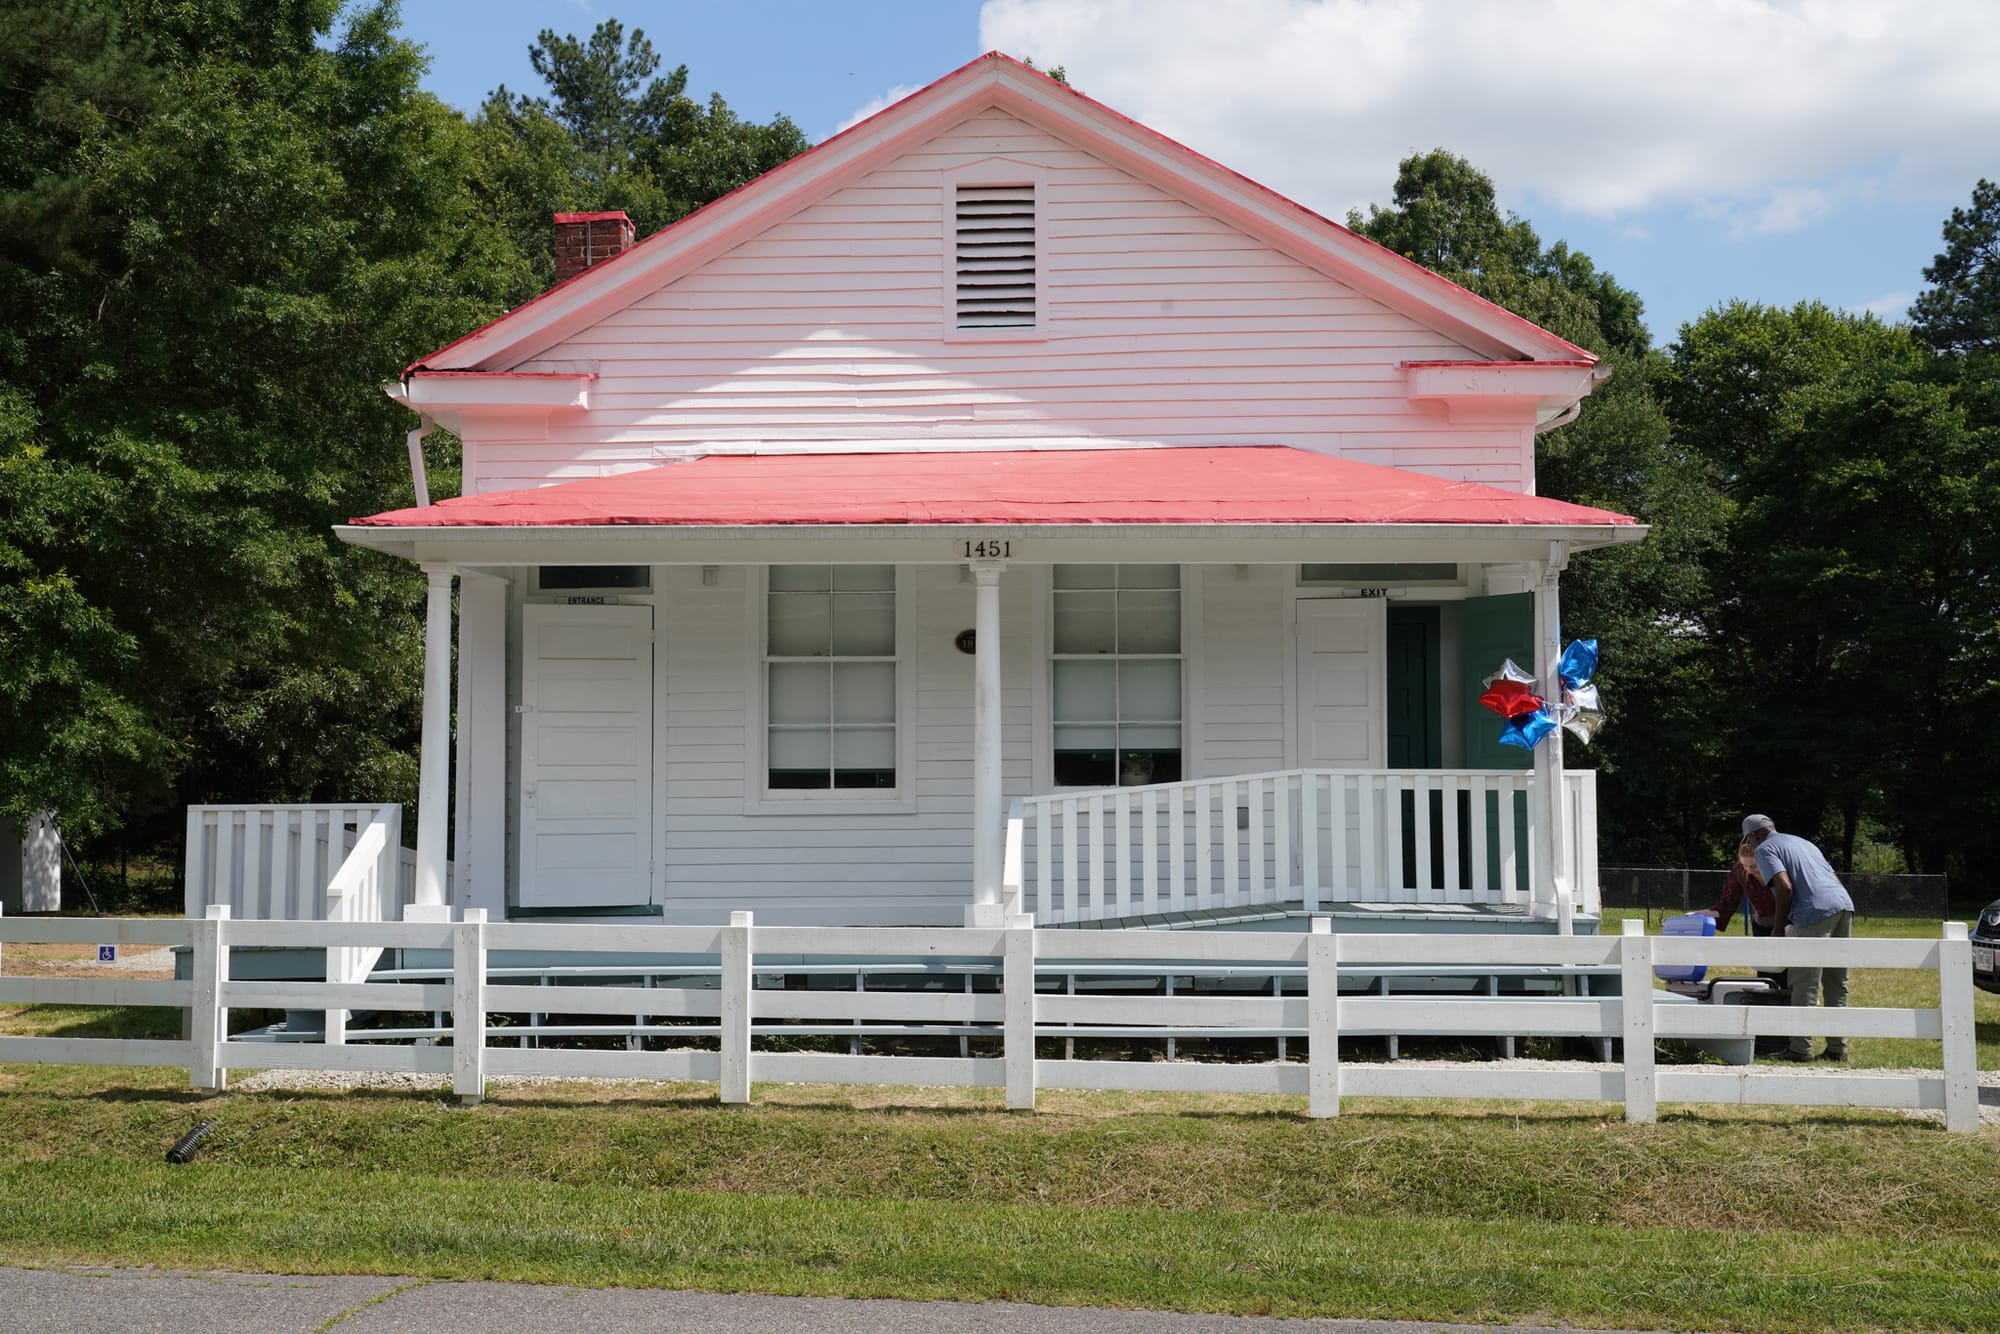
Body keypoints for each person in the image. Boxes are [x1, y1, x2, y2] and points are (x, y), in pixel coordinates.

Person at [1742, 813, 1855, 1062]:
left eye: (1750, 838)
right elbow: (1833, 877)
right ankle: (1838, 1049)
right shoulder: (1803, 842)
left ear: (1755, 835)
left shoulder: (1765, 849)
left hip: (1813, 911)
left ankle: (1800, 1049)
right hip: (1844, 904)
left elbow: (1785, 887)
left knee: (1804, 980)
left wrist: (1778, 928)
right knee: (1837, 981)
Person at [1696, 840, 1778, 936]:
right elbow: (1728, 903)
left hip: (1788, 922)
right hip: (1761, 926)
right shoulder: (1739, 871)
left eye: (1754, 866)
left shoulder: (1778, 868)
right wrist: (1705, 913)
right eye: (1745, 866)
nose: (1750, 870)